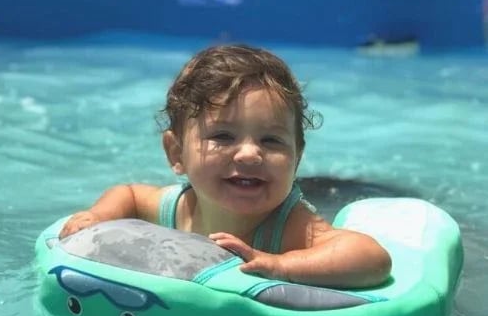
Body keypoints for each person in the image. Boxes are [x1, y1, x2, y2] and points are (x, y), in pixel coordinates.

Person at [59, 44, 391, 288]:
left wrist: (281, 264)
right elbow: (129, 194)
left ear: (297, 158)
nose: (249, 154)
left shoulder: (289, 226)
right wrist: (98, 216)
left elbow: (372, 258)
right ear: (176, 153)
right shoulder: (177, 207)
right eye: (222, 136)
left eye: (271, 140)